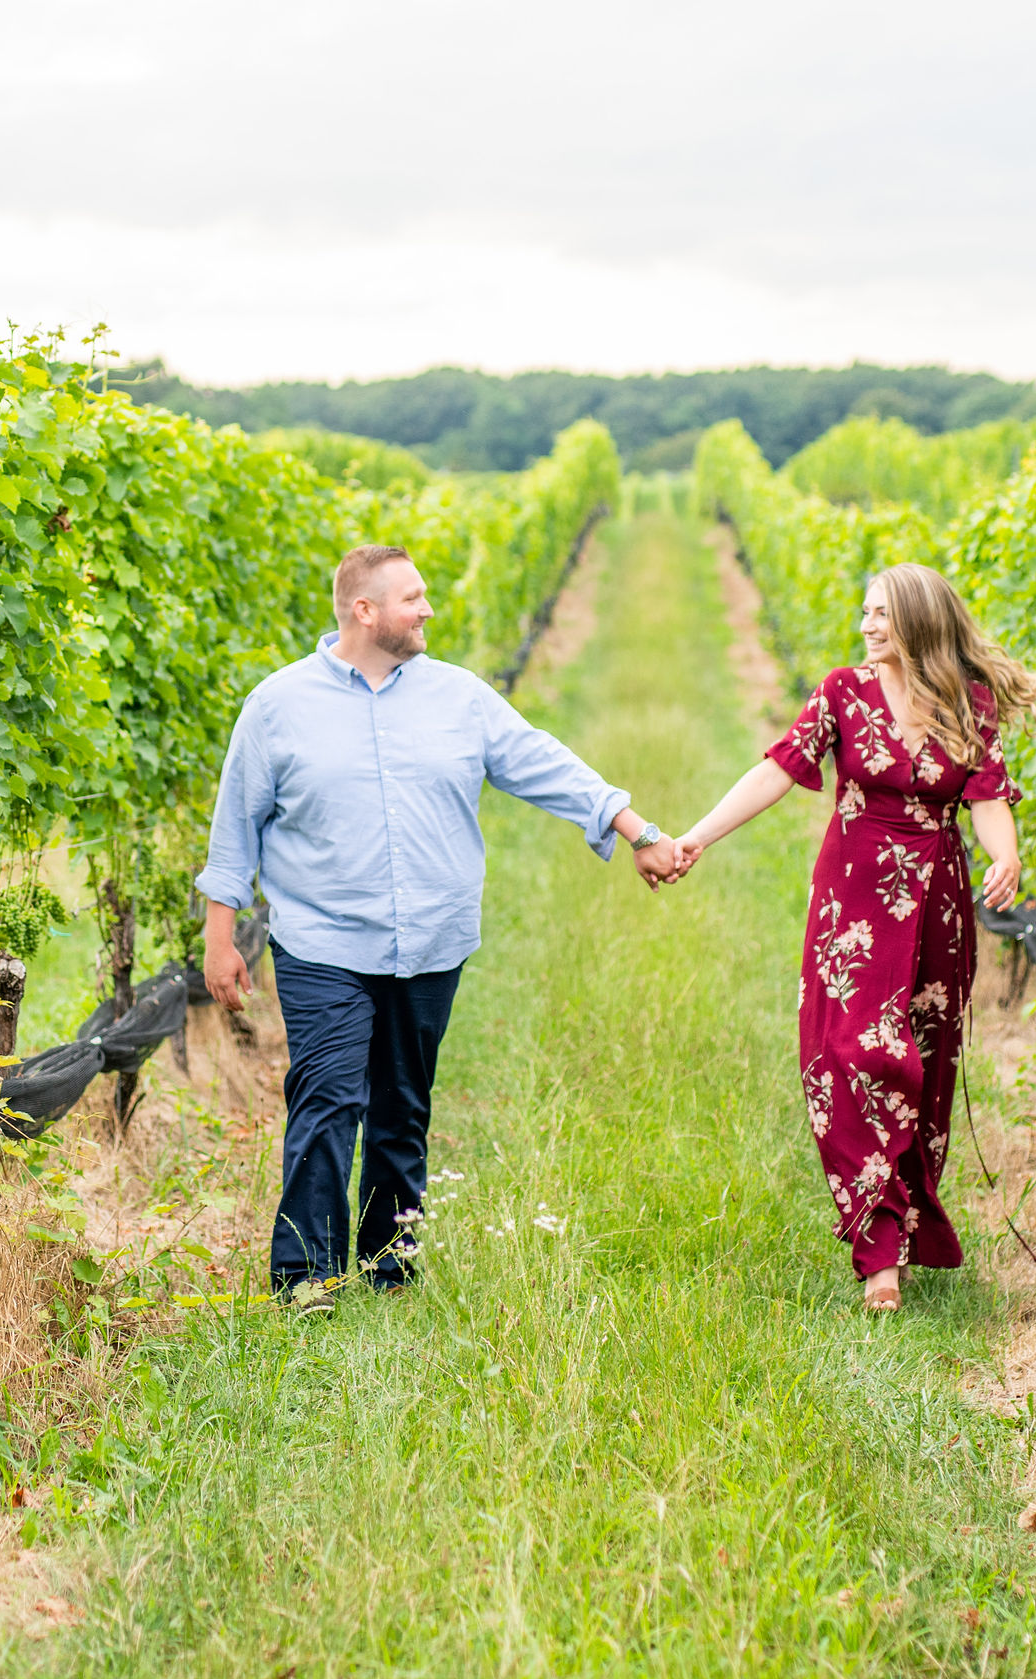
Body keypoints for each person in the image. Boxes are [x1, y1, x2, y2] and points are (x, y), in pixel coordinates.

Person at [201, 543, 690, 1311]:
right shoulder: (278, 705)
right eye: (413, 598)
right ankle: (304, 1276)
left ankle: (390, 1262)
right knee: (327, 1095)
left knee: (403, 1103)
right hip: (322, 939)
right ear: (365, 611)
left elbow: (541, 762)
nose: (428, 610)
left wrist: (637, 828)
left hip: (430, 939)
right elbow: (236, 826)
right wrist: (219, 938)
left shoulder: (461, 698)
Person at [668, 563, 1036, 1313]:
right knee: (849, 1052)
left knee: (922, 1062)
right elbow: (777, 772)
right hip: (854, 899)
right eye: (866, 612)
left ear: (915, 621)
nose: (867, 625)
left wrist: (1005, 854)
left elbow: (987, 795)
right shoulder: (842, 692)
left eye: (881, 614)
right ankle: (876, 1247)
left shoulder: (968, 703)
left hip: (937, 905)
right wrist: (697, 837)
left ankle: (900, 1230)